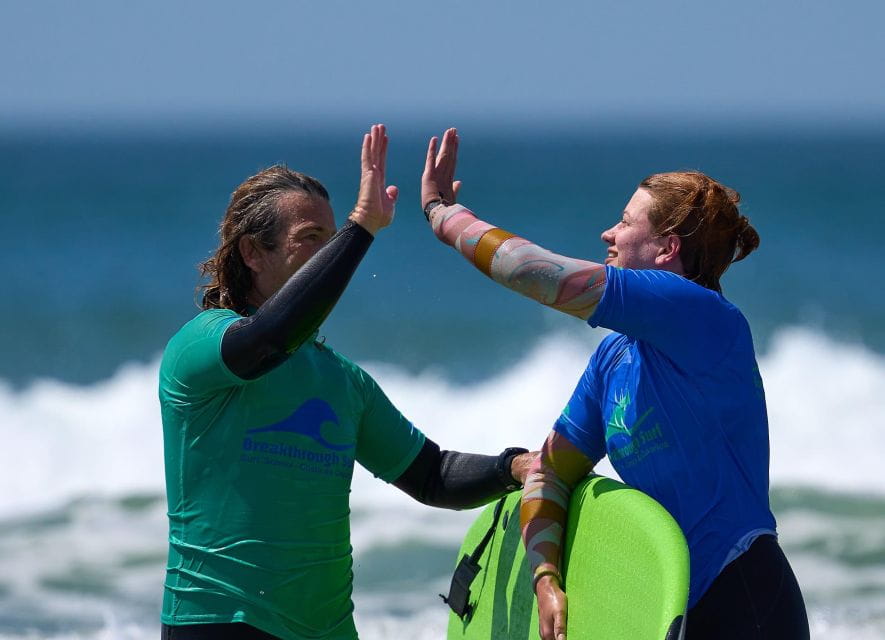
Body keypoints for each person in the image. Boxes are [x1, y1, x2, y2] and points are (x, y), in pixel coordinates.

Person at [420, 128, 810, 640]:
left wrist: (443, 214)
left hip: (743, 595)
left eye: (625, 222)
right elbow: (549, 473)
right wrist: (545, 577)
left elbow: (533, 272)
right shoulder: (615, 358)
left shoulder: (703, 317)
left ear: (667, 248)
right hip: (665, 605)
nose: (608, 233)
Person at [159, 124, 535, 640]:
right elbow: (269, 338)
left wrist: (514, 466)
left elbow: (432, 475)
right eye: (310, 238)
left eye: (331, 239)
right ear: (252, 253)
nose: (328, 253)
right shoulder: (202, 346)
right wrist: (362, 226)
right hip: (222, 622)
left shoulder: (342, 381)